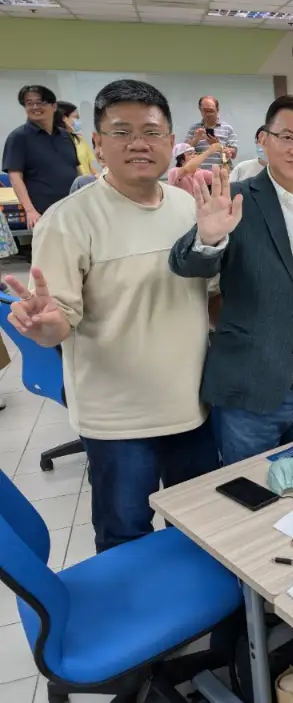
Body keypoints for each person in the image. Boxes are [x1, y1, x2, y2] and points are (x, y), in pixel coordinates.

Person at [4, 79, 218, 552]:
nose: (139, 143)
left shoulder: (188, 208)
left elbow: (211, 297)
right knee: (126, 539)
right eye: (121, 132)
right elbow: (58, 317)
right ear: (97, 144)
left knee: (199, 533)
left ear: (170, 143)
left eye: (151, 131)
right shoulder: (69, 219)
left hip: (193, 406)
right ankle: (152, 626)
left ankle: (202, 624)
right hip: (118, 420)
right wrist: (46, 325)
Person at [169, 95, 293, 465]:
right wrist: (208, 237)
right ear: (264, 139)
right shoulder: (234, 201)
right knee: (250, 497)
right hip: (250, 389)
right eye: (287, 137)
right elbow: (186, 266)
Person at [2, 85, 79, 228]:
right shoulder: (18, 137)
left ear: (54, 106)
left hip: (72, 210)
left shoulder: (65, 136)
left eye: (41, 102)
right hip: (42, 213)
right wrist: (30, 211)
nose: (35, 107)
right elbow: (15, 177)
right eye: (29, 103)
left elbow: (75, 169)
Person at [186, 95, 238, 170]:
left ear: (217, 110)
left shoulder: (227, 128)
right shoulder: (193, 128)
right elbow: (184, 152)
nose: (208, 114)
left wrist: (218, 145)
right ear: (200, 110)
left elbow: (233, 154)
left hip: (222, 174)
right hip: (199, 175)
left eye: (211, 111)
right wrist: (196, 139)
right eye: (205, 110)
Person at [56, 101, 100, 177]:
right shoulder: (52, 143)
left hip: (86, 185)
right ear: (64, 118)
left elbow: (89, 166)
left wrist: (98, 177)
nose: (78, 121)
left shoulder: (80, 140)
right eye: (76, 117)